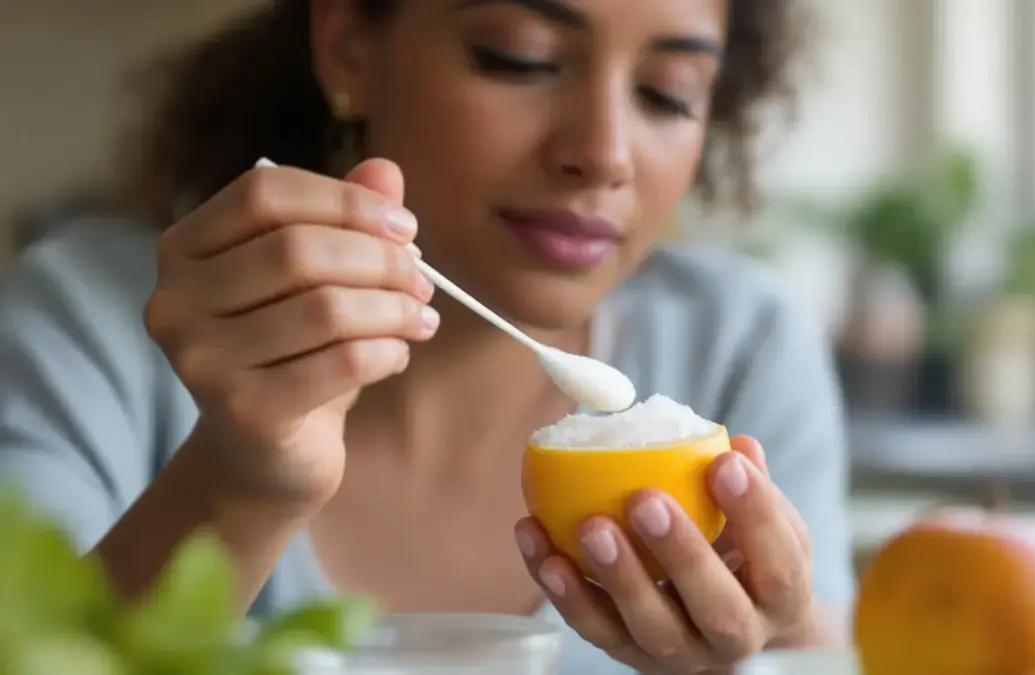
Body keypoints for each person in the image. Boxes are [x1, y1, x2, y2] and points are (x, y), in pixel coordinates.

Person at [0, 0, 854, 672]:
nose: (603, 152)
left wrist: (768, 647)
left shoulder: (742, 345)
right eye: (520, 56)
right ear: (349, 48)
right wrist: (240, 480)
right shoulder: (89, 320)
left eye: (669, 93)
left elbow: (812, 650)